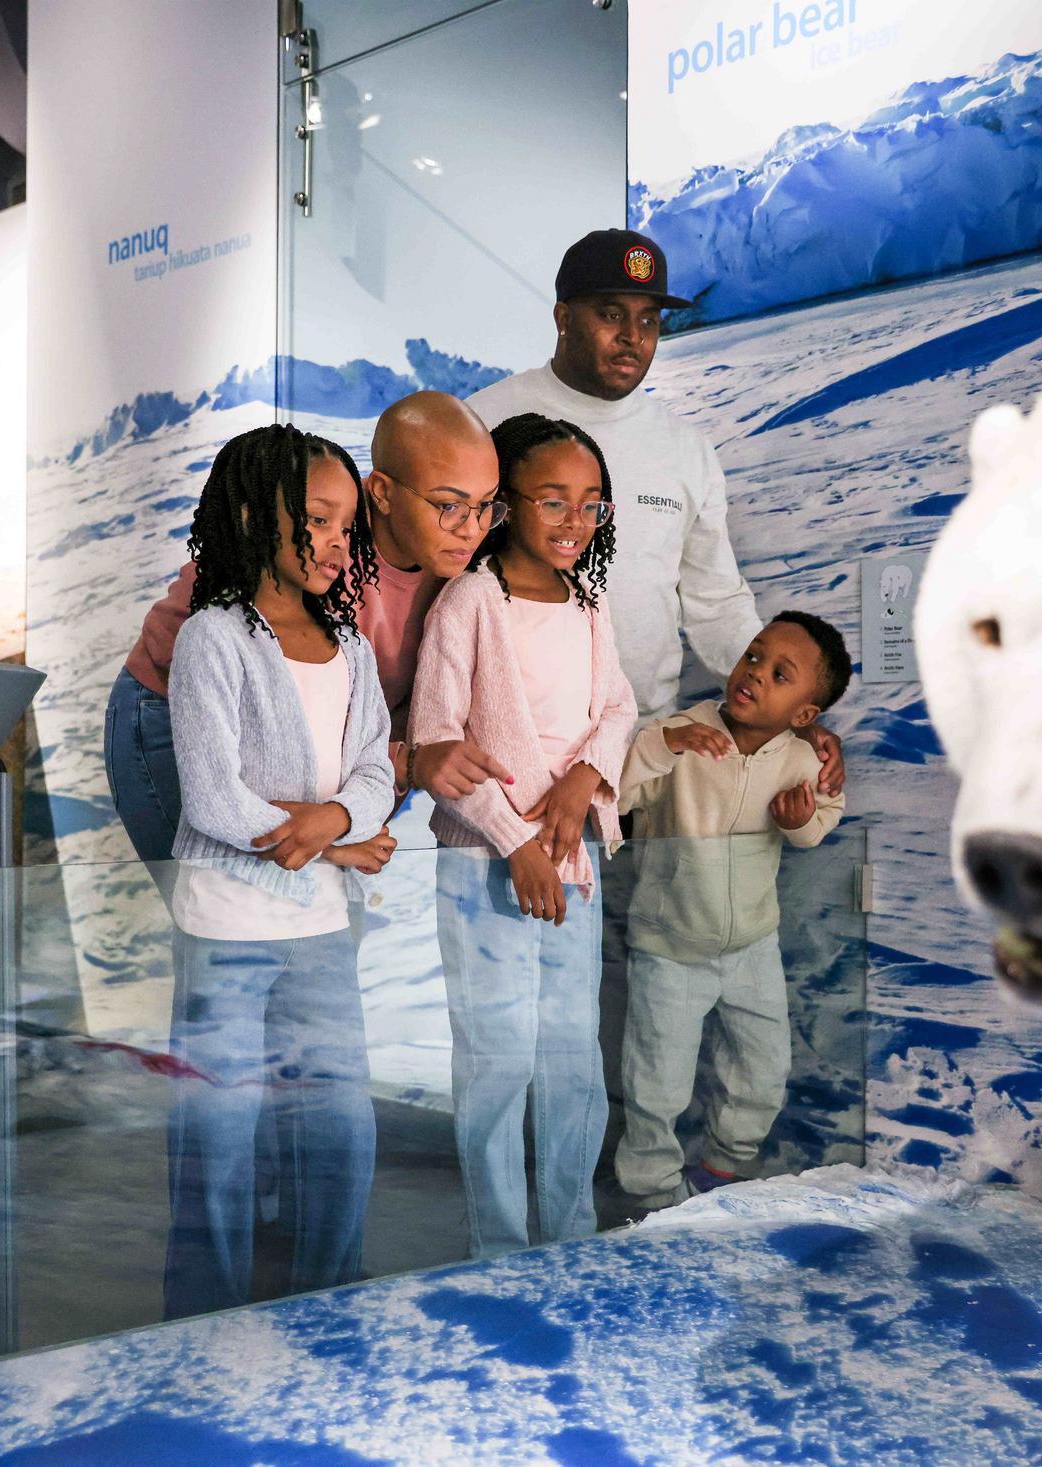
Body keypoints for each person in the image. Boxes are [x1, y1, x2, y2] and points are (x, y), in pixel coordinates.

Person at [466, 228, 844, 795]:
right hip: (505, 760)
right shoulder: (484, 422)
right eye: (611, 314)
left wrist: (785, 714)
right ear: (563, 317)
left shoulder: (685, 450)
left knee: (648, 889)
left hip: (646, 752)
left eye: (648, 320)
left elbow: (715, 601)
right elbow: (437, 578)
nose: (632, 338)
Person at [160, 423, 398, 1318]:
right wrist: (339, 840)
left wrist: (337, 818)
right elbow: (214, 801)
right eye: (323, 520)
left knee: (341, 1123)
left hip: (323, 930)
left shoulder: (354, 648)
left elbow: (377, 769)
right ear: (260, 515)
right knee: (215, 1132)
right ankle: (203, 1314)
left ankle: (330, 1293)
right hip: (228, 928)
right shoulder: (211, 639)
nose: (342, 541)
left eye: (349, 526)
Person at [105, 391, 511, 865]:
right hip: (177, 708)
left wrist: (355, 807)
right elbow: (232, 797)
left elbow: (379, 711)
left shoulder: (465, 565)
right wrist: (335, 843)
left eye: (486, 506)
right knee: (222, 899)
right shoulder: (310, 540)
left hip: (328, 751)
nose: (471, 528)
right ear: (380, 493)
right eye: (449, 505)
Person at [410, 413, 638, 1258]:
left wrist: (585, 782)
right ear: (504, 502)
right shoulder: (470, 601)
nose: (574, 521)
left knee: (574, 1061)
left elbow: (618, 706)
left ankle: (572, 1237)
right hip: (486, 863)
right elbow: (438, 740)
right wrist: (517, 841)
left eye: (591, 504)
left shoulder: (589, 602)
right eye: (553, 501)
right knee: (499, 1063)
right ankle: (500, 1250)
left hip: (572, 861)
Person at [613, 611, 850, 1210]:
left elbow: (821, 818)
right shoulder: (681, 734)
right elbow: (614, 793)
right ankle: (651, 1196)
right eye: (753, 656)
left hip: (752, 945)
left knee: (763, 1068)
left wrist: (798, 824)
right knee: (655, 1084)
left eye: (779, 673)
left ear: (805, 715)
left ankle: (724, 1168)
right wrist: (664, 744)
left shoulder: (801, 760)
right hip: (668, 945)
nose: (754, 674)